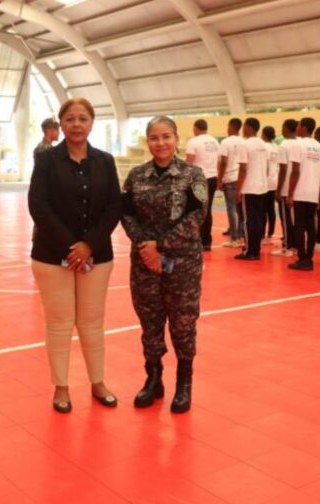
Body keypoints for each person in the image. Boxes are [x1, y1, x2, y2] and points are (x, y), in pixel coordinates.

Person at [28, 97, 121, 414]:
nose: (77, 124)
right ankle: (62, 387)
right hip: (52, 256)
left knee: (92, 321)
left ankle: (98, 382)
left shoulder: (105, 161)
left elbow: (113, 207)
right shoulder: (46, 160)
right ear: (61, 124)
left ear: (91, 122)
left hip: (97, 256)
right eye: (70, 119)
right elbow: (38, 205)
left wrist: (89, 245)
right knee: (59, 322)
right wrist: (72, 246)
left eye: (83, 118)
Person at [122, 116, 207, 414]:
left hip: (182, 265)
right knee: (150, 323)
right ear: (148, 141)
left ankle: (184, 384)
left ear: (176, 139)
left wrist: (159, 245)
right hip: (145, 264)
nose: (161, 143)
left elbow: (196, 218)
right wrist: (145, 245)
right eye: (154, 137)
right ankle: (153, 379)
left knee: (183, 324)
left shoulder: (192, 175)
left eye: (166, 136)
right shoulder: (136, 176)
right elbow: (127, 213)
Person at [286, 117, 320, 271]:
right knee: (311, 227)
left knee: (299, 227)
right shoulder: (319, 147)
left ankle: (302, 258)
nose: (297, 128)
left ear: (304, 127)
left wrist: (290, 193)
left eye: (299, 125)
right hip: (313, 192)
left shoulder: (298, 145)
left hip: (300, 192)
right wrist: (319, 194)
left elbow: (295, 171)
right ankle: (309, 258)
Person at [234, 117, 268, 260]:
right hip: (262, 186)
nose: (242, 129)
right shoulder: (263, 144)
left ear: (248, 127)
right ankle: (256, 249)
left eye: (244, 126)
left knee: (248, 221)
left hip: (249, 187)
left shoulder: (245, 144)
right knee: (259, 219)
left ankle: (249, 251)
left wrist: (238, 189)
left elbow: (243, 168)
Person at [185, 119, 220, 251]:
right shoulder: (215, 141)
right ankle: (206, 241)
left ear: (196, 128)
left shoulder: (193, 142)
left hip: (199, 180)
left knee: (198, 210)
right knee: (208, 210)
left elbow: (189, 163)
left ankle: (198, 240)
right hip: (213, 178)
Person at [272, 119, 299, 258]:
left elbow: (283, 169)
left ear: (288, 129)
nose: (281, 129)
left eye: (282, 127)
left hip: (286, 187)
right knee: (297, 220)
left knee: (286, 219)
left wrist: (279, 190)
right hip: (298, 188)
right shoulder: (301, 143)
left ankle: (288, 246)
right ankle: (297, 246)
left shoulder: (284, 145)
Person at [218, 118, 244, 247]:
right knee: (240, 210)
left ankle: (234, 238)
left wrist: (219, 179)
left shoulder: (226, 142)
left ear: (231, 127)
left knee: (231, 209)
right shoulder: (244, 142)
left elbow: (223, 161)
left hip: (229, 178)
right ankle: (240, 237)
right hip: (241, 178)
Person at [261, 126, 279, 243]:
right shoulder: (276, 147)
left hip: (266, 181)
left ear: (264, 135)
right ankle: (270, 233)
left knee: (263, 210)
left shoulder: (264, 147)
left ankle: (262, 234)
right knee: (271, 209)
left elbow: (265, 165)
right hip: (275, 180)